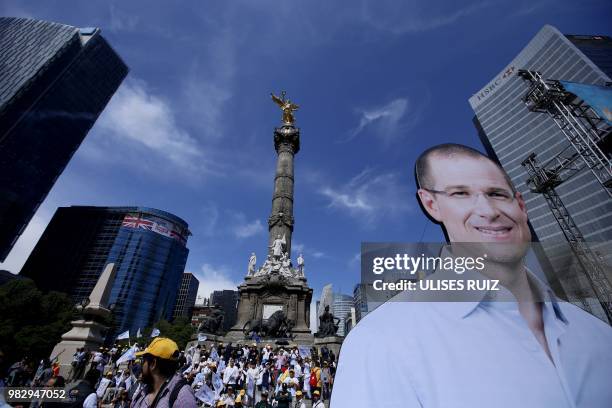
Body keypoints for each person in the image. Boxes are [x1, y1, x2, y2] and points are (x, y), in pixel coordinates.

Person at [331, 143, 612, 407]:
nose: (489, 211)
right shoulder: (381, 340)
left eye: (497, 194)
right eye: (460, 194)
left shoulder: (598, 334)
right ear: (431, 204)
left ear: (521, 206)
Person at [130, 337, 198, 407]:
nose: (142, 366)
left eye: (143, 361)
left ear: (153, 364)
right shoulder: (143, 392)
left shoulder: (183, 397)